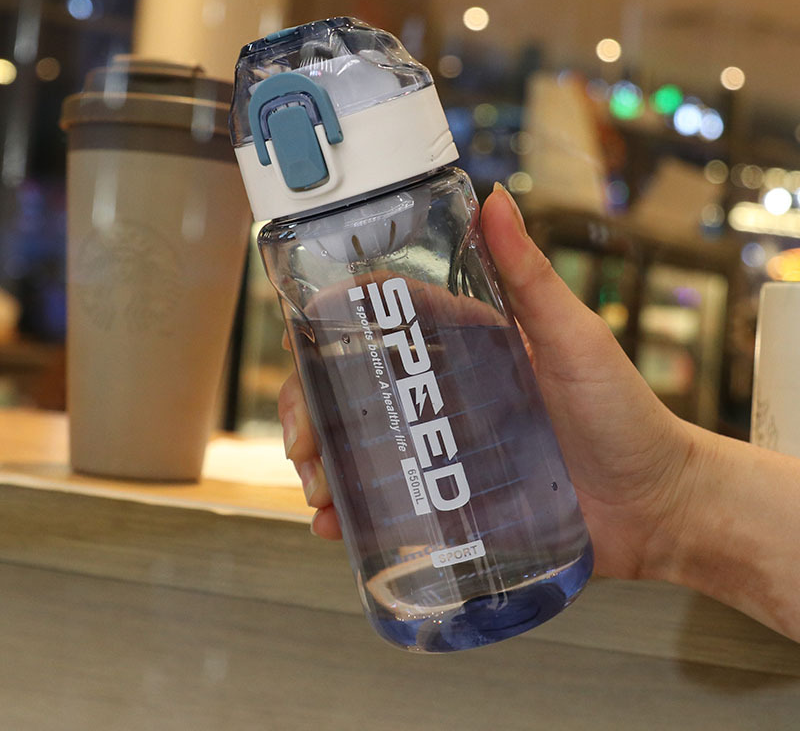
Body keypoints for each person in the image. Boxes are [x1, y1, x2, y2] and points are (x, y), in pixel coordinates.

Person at [278, 183, 800, 644]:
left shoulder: (438, 201)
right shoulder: (300, 238)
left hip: (546, 553)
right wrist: (669, 498)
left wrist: (670, 496)